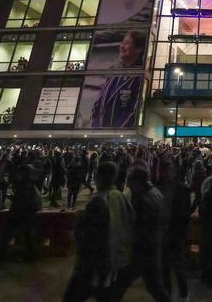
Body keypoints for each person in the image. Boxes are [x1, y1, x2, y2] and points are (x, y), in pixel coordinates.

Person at [63, 161, 134, 302]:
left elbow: (90, 236)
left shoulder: (98, 201)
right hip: (116, 261)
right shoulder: (120, 197)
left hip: (95, 264)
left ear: (99, 177)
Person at [113, 166, 170, 302]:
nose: (128, 185)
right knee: (155, 286)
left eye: (130, 181)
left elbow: (138, 227)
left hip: (142, 250)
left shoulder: (142, 199)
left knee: (118, 285)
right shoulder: (155, 192)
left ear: (137, 181)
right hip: (154, 245)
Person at [91, 31, 145, 128]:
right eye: (122, 43)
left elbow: (133, 110)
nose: (122, 46)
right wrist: (95, 126)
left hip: (119, 134)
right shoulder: (114, 74)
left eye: (127, 43)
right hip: (100, 132)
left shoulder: (139, 77)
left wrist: (116, 130)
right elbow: (98, 104)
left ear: (139, 49)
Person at [158, 162, 191, 301]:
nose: (166, 173)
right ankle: (168, 296)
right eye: (165, 170)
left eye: (169, 170)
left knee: (178, 268)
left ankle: (184, 295)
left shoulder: (182, 189)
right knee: (165, 268)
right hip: (165, 234)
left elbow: (185, 213)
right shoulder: (160, 188)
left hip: (176, 234)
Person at [9, 164, 42, 260]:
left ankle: (30, 254)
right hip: (29, 211)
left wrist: (14, 199)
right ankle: (29, 253)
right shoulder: (30, 182)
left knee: (26, 233)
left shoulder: (25, 183)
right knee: (27, 233)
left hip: (25, 211)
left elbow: (23, 198)